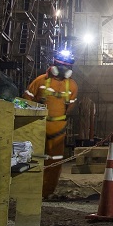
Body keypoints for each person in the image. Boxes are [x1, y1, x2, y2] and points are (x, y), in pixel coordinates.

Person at [24, 48, 79, 198]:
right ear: (54, 64)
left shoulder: (72, 86)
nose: (62, 70)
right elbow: (26, 100)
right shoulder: (40, 80)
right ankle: (30, 190)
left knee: (54, 161)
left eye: (66, 67)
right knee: (33, 157)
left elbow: (69, 108)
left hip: (57, 131)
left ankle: (47, 192)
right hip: (38, 126)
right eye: (60, 65)